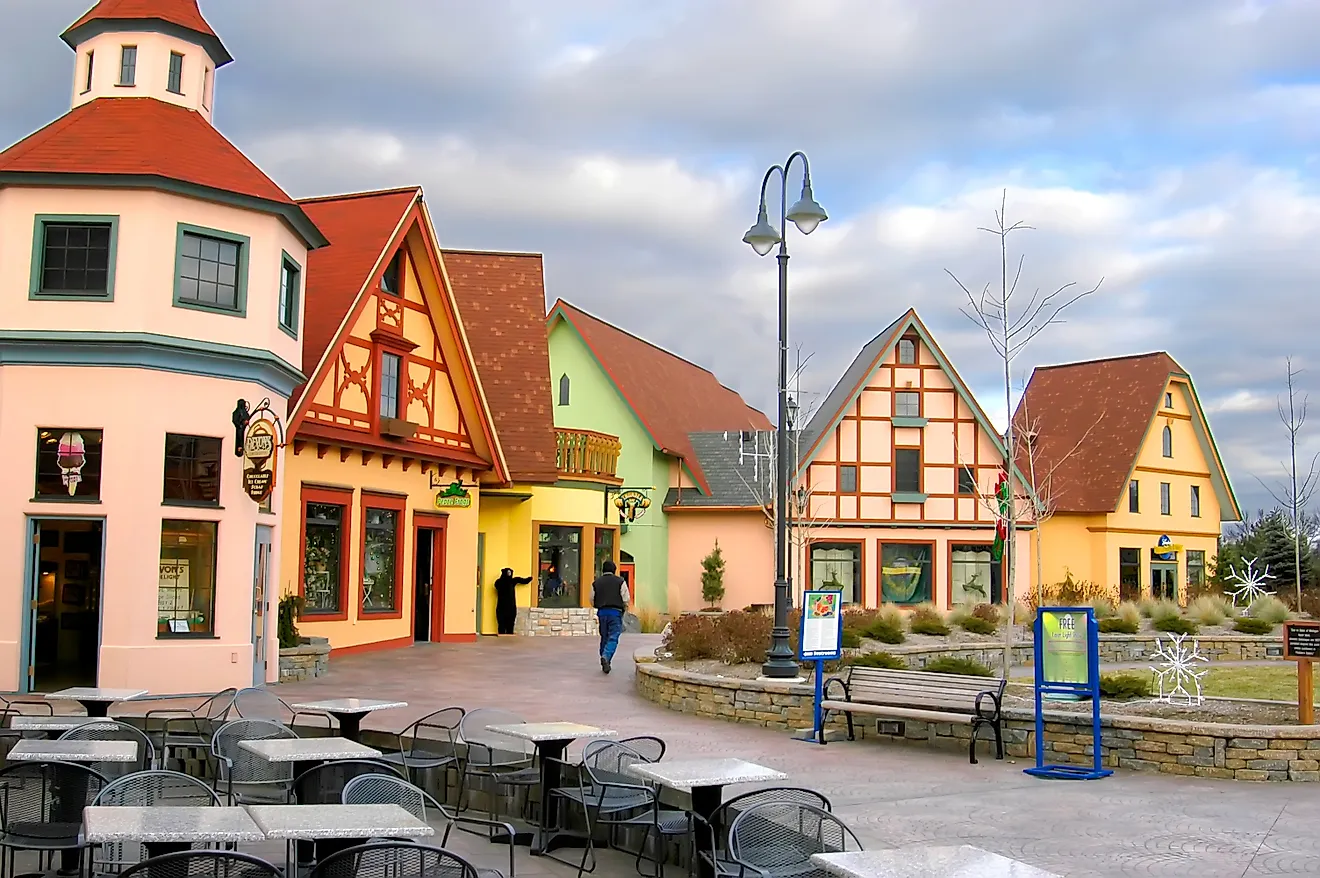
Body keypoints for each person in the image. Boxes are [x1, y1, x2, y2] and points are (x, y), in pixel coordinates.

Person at [590, 560, 629, 674]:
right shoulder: (620, 582)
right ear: (614, 570)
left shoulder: (596, 583)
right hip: (615, 612)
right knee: (613, 636)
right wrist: (625, 608)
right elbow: (625, 598)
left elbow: (591, 598)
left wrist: (598, 605)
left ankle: (604, 658)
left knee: (604, 636)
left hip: (602, 612)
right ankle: (606, 656)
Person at [493, 568, 531, 635]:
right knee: (501, 623)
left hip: (511, 607)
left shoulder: (513, 581)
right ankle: (502, 636)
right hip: (501, 607)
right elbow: (496, 586)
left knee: (510, 623)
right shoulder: (499, 582)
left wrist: (530, 578)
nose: (509, 574)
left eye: (510, 572)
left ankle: (509, 636)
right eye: (507, 573)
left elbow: (523, 580)